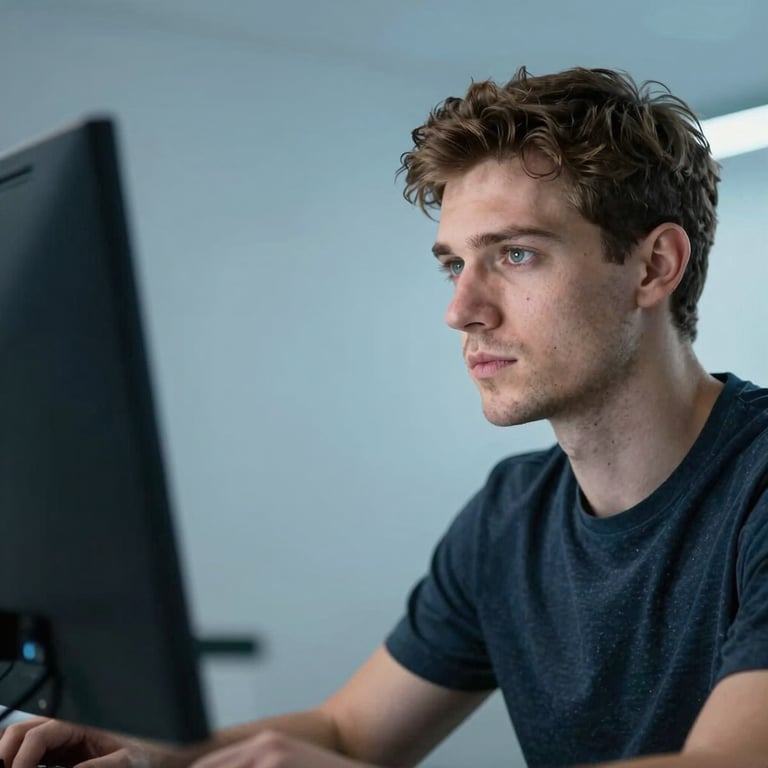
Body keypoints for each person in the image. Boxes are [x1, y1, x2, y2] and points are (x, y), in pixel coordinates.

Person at [2, 65, 768, 768]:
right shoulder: (510, 518)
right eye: (453, 264)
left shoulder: (756, 483)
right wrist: (156, 756)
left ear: (653, 265)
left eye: (516, 255)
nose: (461, 310)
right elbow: (350, 733)